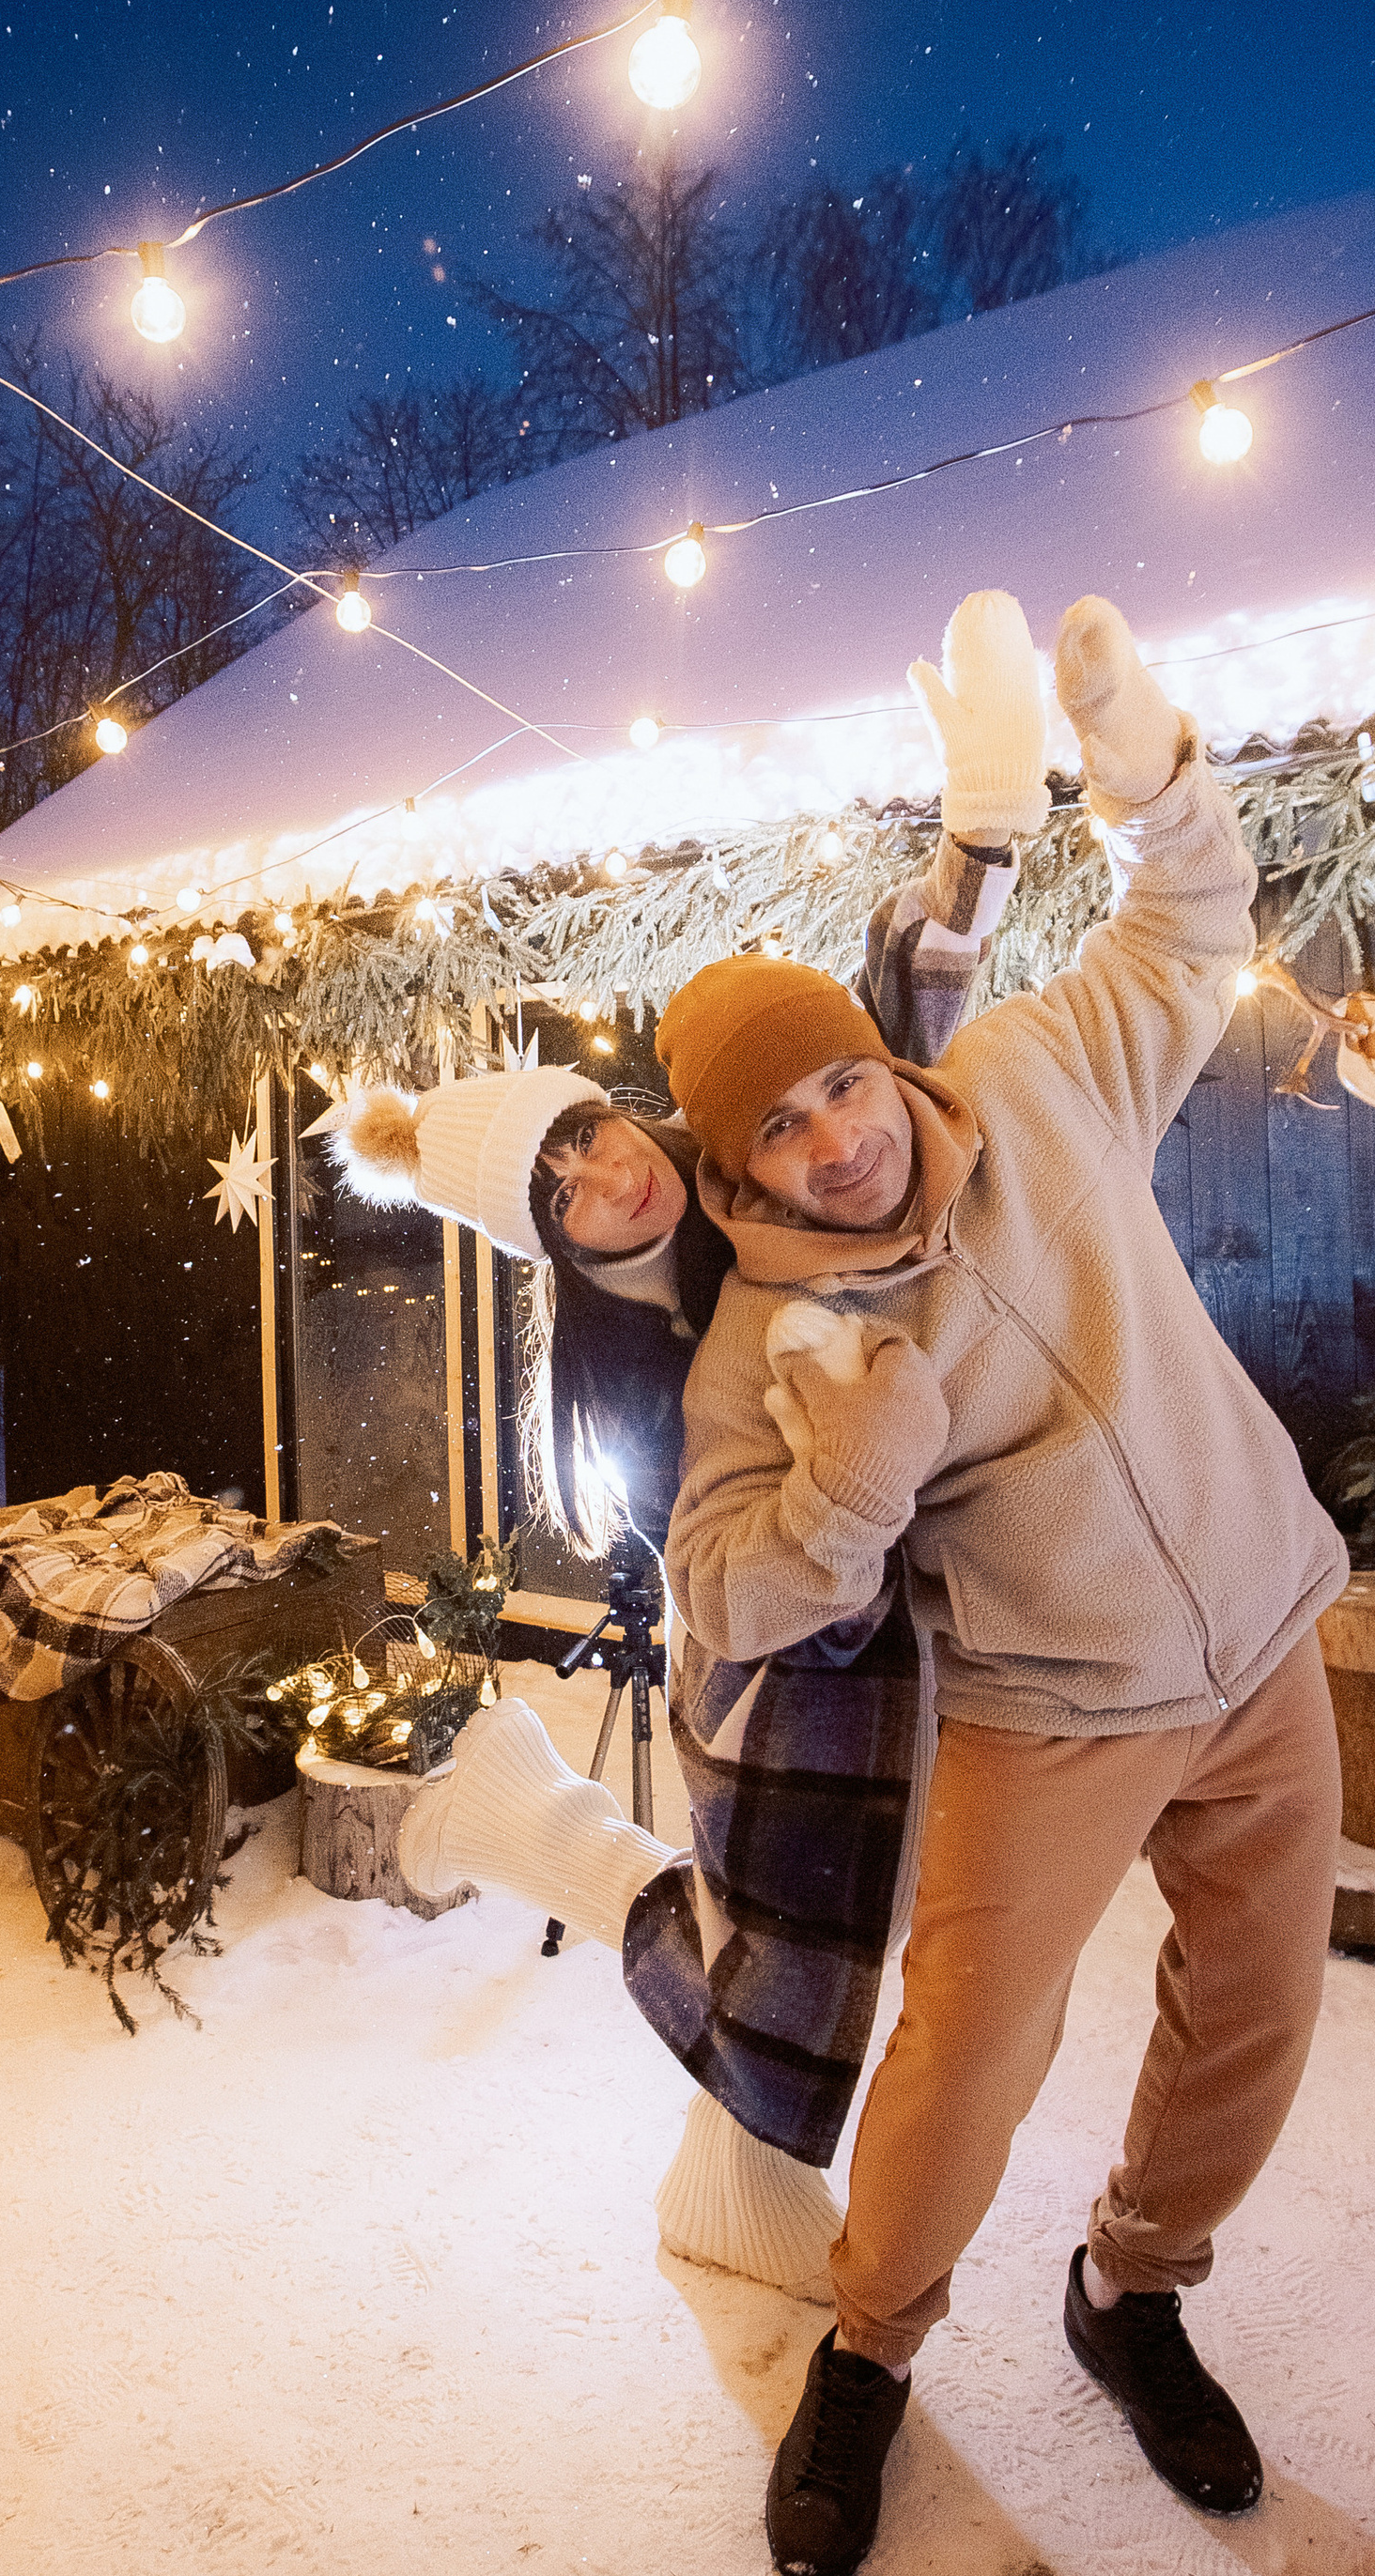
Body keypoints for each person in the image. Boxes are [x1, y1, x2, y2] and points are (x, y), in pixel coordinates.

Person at [646, 594, 1349, 2576]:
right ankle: (867, 2353)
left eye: (837, 1087)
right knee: (963, 2056)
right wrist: (849, 1489)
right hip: (1052, 1705)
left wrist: (1141, 768)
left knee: (1258, 2008)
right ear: (738, 1174)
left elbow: (1188, 931)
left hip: (1262, 1633)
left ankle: (1133, 2291)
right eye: (777, 1130)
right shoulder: (761, 1350)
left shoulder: (1036, 1073)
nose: (832, 1140)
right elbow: (722, 1592)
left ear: (883, 1062)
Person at [329, 598, 1044, 2299]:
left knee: (817, 1957)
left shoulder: (739, 1168)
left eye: (584, 1134)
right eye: (559, 1195)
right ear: (546, 1245)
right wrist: (841, 1496)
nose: (603, 1177)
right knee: (798, 1973)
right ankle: (548, 1850)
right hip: (772, 1663)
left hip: (904, 1611)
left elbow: (882, 1035)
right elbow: (726, 1577)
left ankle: (540, 1838)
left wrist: (979, 839)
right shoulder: (618, 1382)